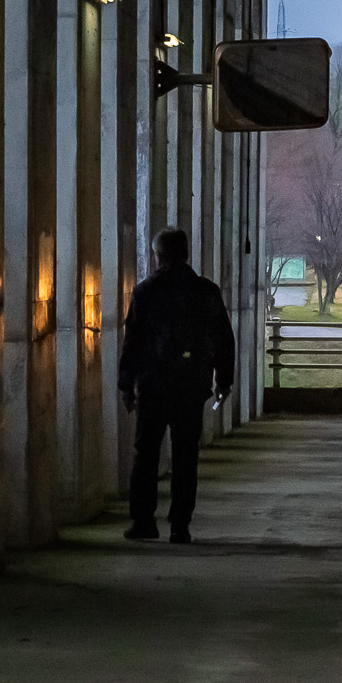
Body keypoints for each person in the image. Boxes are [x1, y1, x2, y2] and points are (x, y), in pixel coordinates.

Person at [119, 228, 236, 543]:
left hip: (153, 384)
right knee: (186, 456)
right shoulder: (206, 291)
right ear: (185, 254)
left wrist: (126, 385)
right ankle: (180, 525)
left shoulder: (146, 292)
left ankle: (144, 522)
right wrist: (224, 380)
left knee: (146, 454)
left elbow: (133, 342)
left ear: (158, 256)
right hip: (191, 384)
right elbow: (223, 338)